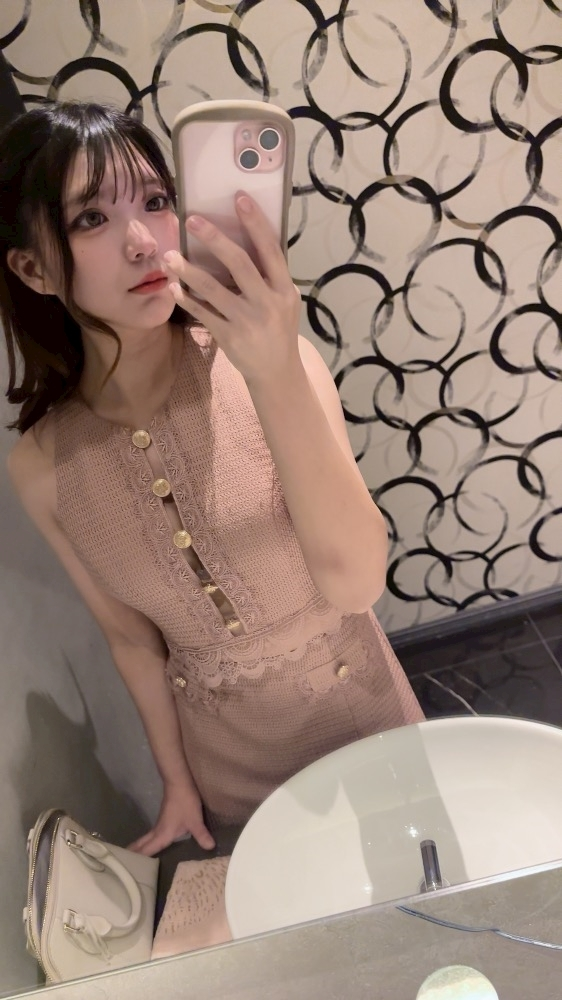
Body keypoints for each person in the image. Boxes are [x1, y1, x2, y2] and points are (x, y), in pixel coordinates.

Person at [1, 101, 424, 856]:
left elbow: (358, 584)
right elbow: (132, 640)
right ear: (33, 269)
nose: (144, 242)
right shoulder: (40, 464)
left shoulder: (271, 363)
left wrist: (275, 372)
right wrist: (178, 786)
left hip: (369, 725)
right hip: (232, 775)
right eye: (91, 219)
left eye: (156, 202)